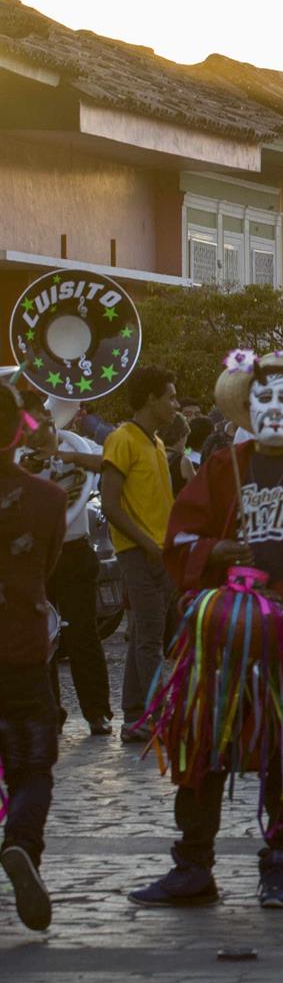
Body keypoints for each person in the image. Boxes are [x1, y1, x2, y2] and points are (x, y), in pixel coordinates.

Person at [130, 348, 283, 910]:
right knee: (202, 746)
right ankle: (193, 866)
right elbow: (178, 540)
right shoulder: (221, 468)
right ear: (250, 408)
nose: (276, 409)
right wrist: (216, 551)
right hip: (221, 638)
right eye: (265, 399)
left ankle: (279, 865)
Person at [0, 383, 69, 930]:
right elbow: (46, 570)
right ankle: (22, 841)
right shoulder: (48, 499)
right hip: (21, 650)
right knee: (32, 767)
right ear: (20, 430)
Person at [99, 366, 179, 741]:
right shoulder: (123, 439)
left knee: (145, 636)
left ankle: (136, 715)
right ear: (151, 398)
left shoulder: (158, 443)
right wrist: (147, 545)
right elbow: (112, 505)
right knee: (148, 638)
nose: (175, 405)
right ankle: (152, 715)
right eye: (171, 397)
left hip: (159, 553)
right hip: (139, 552)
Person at [22, 400, 111, 734]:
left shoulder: (78, 446)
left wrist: (69, 457)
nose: (32, 433)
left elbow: (110, 461)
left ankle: (97, 712)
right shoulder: (23, 461)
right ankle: (50, 712)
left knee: (82, 635)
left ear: (49, 421)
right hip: (38, 556)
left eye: (37, 424)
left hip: (74, 551)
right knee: (42, 637)